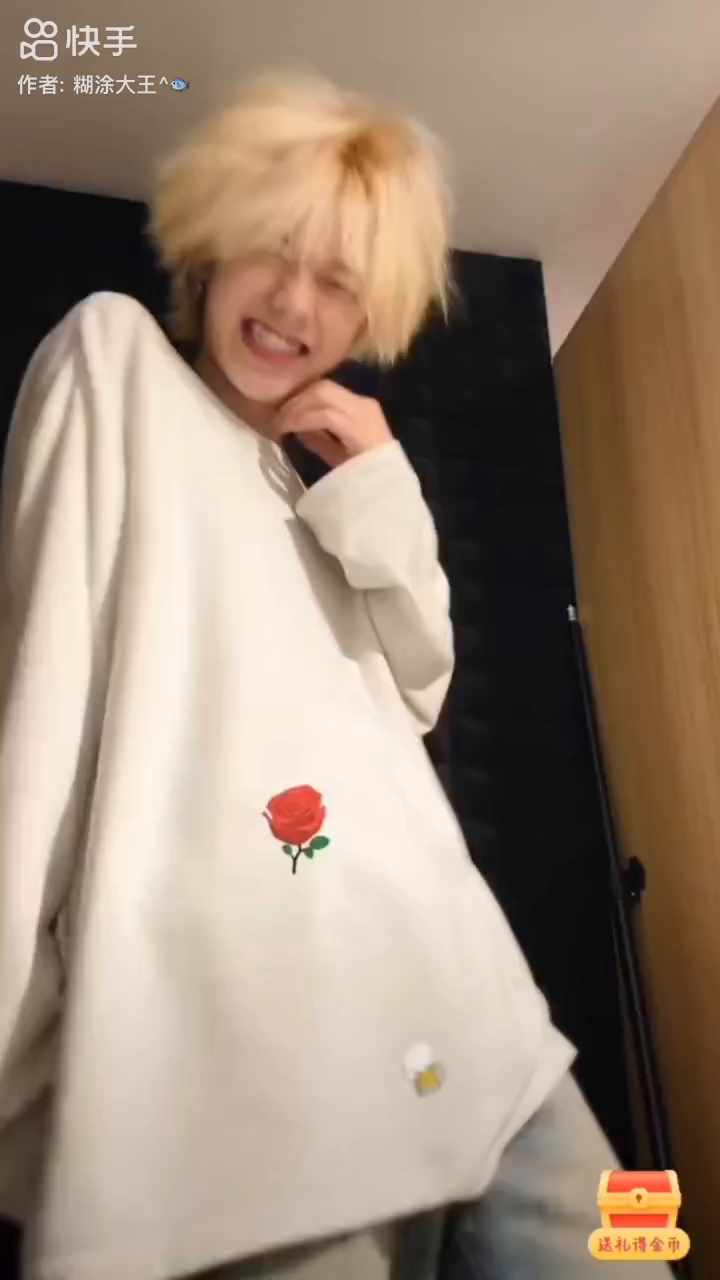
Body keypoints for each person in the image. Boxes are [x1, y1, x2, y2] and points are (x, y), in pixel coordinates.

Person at [0, 70, 670, 1280]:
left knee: (629, 1259)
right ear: (213, 240)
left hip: (482, 1024)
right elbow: (37, 711)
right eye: (275, 249)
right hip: (248, 1054)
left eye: (341, 282)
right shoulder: (115, 359)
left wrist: (376, 482)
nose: (293, 304)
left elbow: (421, 686)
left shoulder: (319, 503)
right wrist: (27, 1071)